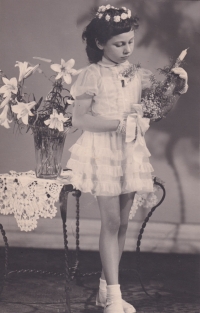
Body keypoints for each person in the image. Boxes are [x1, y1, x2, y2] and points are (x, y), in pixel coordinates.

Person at [66, 4, 188, 313]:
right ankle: (115, 299)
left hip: (129, 152)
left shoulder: (137, 74)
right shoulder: (91, 75)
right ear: (99, 44)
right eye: (120, 44)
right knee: (110, 222)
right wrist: (117, 123)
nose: (127, 49)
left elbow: (157, 106)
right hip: (103, 151)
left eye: (130, 42)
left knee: (121, 224)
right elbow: (80, 119)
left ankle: (106, 291)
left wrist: (178, 86)